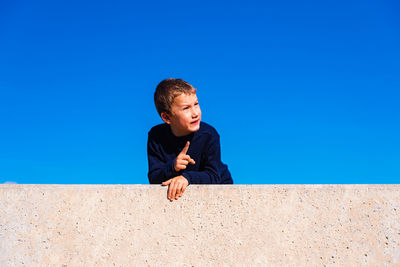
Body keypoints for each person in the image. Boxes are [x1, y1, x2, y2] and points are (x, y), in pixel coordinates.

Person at [147, 78, 233, 201]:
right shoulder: (156, 136)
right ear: (166, 117)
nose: (195, 113)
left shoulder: (209, 135)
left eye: (196, 104)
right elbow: (154, 178)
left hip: (221, 190)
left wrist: (187, 178)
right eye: (186, 108)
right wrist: (173, 166)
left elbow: (214, 176)